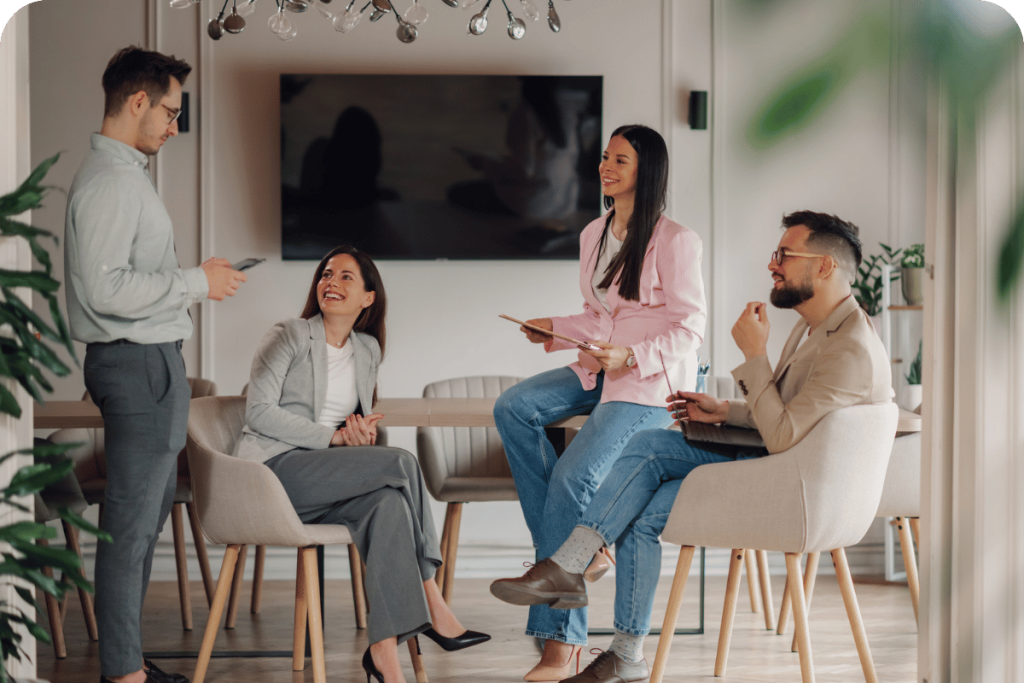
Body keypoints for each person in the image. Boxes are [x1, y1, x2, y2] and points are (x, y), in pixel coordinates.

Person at [490, 211, 895, 683]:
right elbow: (793, 417)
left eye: (784, 255)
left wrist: (755, 357)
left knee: (650, 447)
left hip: (787, 485)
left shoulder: (851, 347)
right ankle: (626, 655)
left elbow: (783, 435)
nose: (773, 265)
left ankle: (569, 564)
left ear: (824, 266)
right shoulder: (820, 328)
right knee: (639, 515)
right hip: (775, 460)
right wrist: (724, 410)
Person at [492, 124, 707, 681]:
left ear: (647, 169)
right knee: (513, 407)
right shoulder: (595, 232)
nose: (606, 166)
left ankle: (562, 643)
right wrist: (553, 327)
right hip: (597, 367)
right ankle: (582, 551)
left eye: (621, 159)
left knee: (570, 478)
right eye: (606, 157)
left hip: (648, 384)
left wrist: (630, 359)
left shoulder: (677, 240)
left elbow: (690, 329)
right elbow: (596, 317)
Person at [64, 46, 247, 683]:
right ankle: (123, 674)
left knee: (141, 525)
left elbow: (123, 281)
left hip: (150, 364)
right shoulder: (112, 181)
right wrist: (197, 281)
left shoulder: (122, 177)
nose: (174, 126)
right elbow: (106, 291)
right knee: (129, 527)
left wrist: (195, 281)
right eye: (170, 112)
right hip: (136, 367)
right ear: (138, 101)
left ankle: (127, 663)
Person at [234, 245, 489, 683]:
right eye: (327, 274)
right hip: (273, 473)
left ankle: (384, 658)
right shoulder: (290, 334)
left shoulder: (366, 349)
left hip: (322, 477)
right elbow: (257, 411)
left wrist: (354, 435)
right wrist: (332, 436)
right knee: (403, 464)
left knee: (388, 505)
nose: (331, 282)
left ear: (368, 298)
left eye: (346, 277)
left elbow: (348, 423)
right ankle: (432, 596)